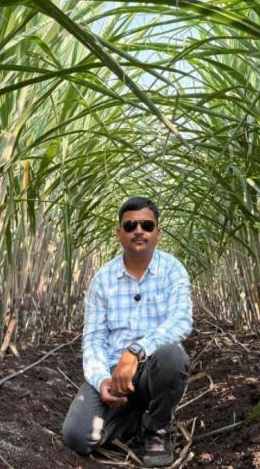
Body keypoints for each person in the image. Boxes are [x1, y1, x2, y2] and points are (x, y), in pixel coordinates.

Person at [62, 196, 192, 467]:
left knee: (172, 357)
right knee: (77, 437)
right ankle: (134, 418)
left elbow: (181, 321)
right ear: (119, 234)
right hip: (112, 372)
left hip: (152, 370)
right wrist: (101, 381)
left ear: (158, 233)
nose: (138, 230)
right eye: (130, 225)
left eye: (146, 224)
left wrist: (135, 352)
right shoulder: (103, 279)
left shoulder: (173, 270)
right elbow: (94, 338)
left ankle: (156, 428)